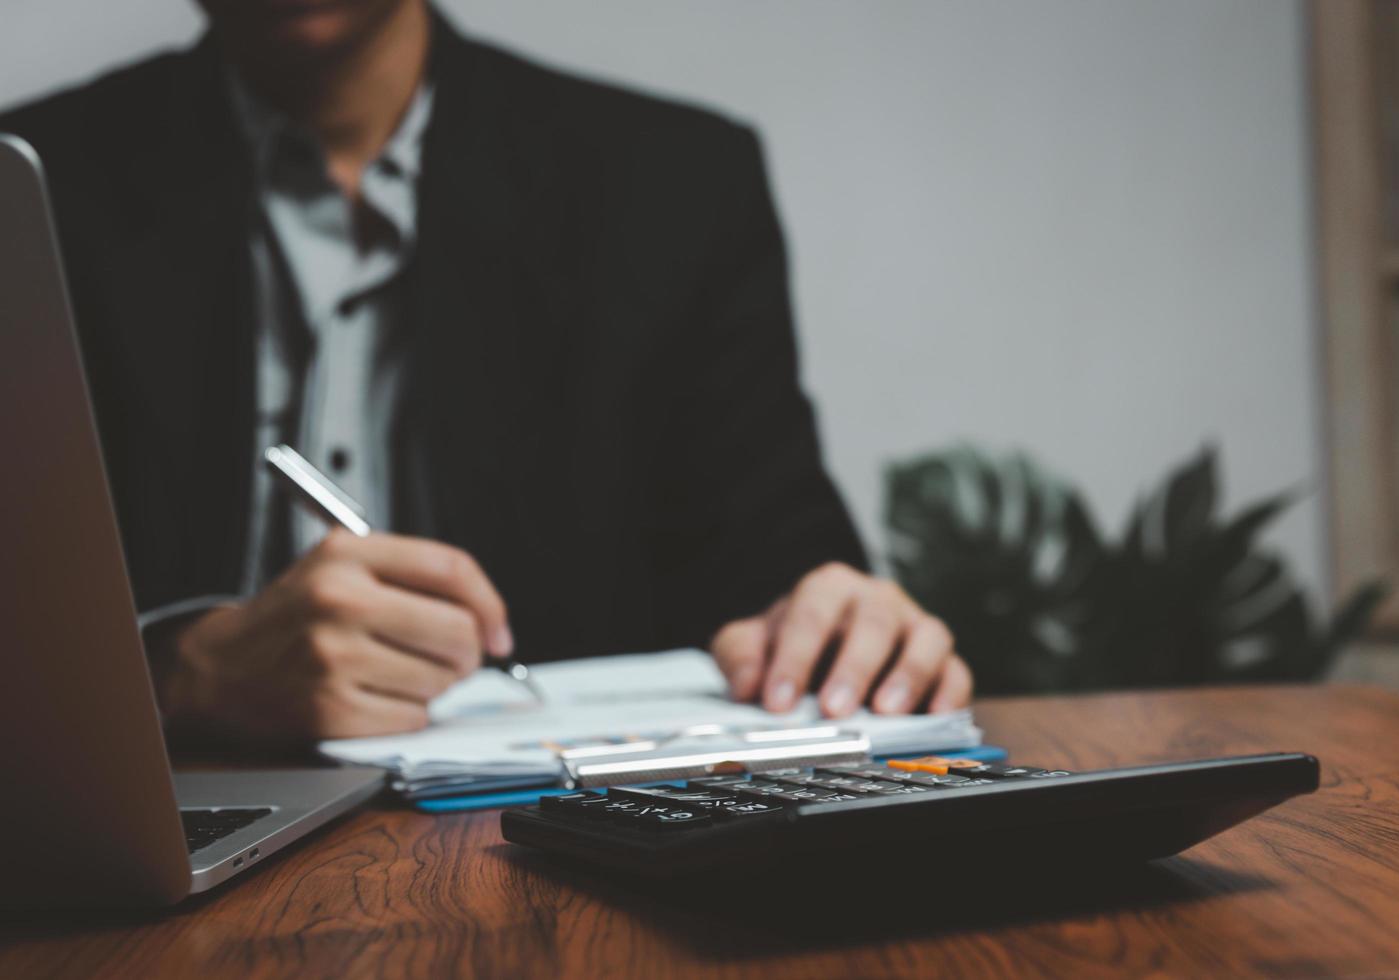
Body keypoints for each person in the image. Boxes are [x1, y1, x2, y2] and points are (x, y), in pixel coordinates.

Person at [0, 0, 972, 741]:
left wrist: (834, 619)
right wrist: (177, 676)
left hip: (569, 852)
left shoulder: (670, 185)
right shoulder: (31, 186)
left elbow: (774, 559)